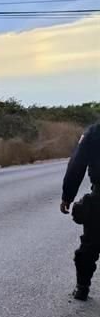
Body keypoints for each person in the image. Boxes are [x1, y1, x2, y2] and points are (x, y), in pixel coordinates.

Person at [61, 122, 100, 301]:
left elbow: (77, 164)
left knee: (91, 244)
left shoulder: (94, 132)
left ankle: (82, 287)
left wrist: (67, 196)